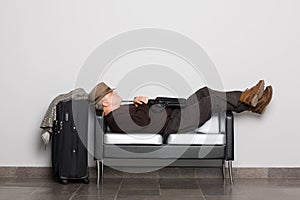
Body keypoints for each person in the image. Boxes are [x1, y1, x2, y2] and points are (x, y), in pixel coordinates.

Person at [88, 80, 273, 140]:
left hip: (173, 112)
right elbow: (143, 122)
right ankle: (250, 101)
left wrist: (146, 103)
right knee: (211, 100)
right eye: (112, 94)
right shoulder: (115, 119)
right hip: (174, 122)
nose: (116, 93)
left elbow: (140, 118)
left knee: (205, 91)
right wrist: (143, 103)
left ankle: (252, 103)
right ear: (105, 103)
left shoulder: (118, 113)